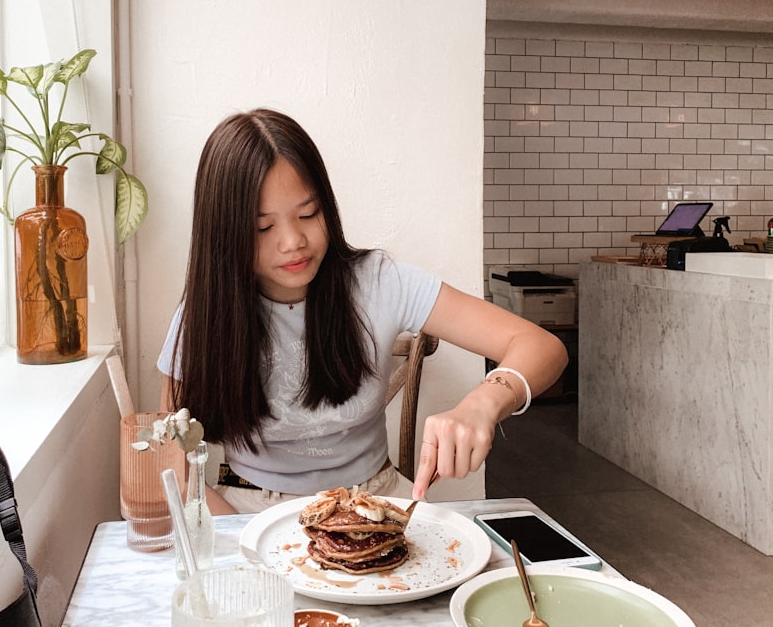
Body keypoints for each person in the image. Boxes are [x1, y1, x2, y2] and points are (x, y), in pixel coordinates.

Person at [158, 108, 567, 515]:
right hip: (250, 507)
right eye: (263, 227)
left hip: (374, 500)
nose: (292, 241)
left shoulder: (377, 282)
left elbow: (541, 345)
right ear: (224, 232)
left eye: (308, 214)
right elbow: (169, 456)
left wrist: (483, 402)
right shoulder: (206, 314)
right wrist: (241, 545)